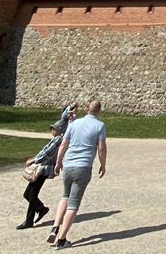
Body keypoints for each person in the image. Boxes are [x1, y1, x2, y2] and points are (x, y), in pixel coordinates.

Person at [47, 101, 107, 248]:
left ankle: (55, 226)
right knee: (73, 204)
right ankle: (62, 239)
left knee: (65, 196)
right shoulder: (99, 126)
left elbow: (63, 144)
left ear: (87, 109)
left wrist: (59, 162)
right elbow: (101, 148)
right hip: (83, 166)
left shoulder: (74, 124)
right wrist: (103, 164)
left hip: (68, 165)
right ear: (99, 111)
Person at [17, 121, 64, 230]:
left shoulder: (59, 140)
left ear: (60, 130)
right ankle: (41, 209)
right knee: (27, 194)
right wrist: (34, 159)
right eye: (51, 128)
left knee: (32, 193)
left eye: (54, 128)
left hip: (44, 169)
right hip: (42, 168)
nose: (52, 130)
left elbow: (48, 153)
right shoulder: (55, 139)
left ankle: (29, 220)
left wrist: (34, 160)